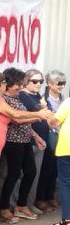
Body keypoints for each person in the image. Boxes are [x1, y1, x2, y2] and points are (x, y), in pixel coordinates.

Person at [0, 71, 50, 225]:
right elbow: (15, 114)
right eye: (2, 82)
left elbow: (15, 119)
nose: (4, 84)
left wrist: (38, 117)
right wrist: (39, 113)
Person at [0, 68, 47, 223]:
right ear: (8, 84)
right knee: (13, 174)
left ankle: (21, 205)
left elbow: (25, 122)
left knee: (31, 172)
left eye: (20, 84)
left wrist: (36, 135)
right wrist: (39, 116)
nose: (19, 87)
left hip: (25, 140)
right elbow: (17, 119)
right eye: (17, 84)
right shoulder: (4, 99)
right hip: (13, 141)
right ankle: (4, 207)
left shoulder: (18, 97)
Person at [14, 69, 49, 215]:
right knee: (21, 175)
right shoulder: (22, 95)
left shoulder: (39, 97)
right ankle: (15, 204)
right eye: (35, 81)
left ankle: (28, 203)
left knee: (34, 175)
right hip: (27, 140)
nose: (38, 84)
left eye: (41, 81)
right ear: (26, 82)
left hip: (40, 141)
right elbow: (22, 118)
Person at [37, 70, 66, 212]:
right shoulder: (44, 99)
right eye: (58, 83)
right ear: (49, 84)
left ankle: (49, 195)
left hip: (61, 136)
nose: (61, 86)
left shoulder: (62, 97)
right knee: (46, 167)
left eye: (63, 83)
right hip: (49, 135)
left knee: (55, 168)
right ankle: (41, 197)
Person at [49, 96, 70, 225]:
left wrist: (48, 115)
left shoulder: (68, 102)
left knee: (65, 183)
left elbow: (54, 123)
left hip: (66, 148)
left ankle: (67, 219)